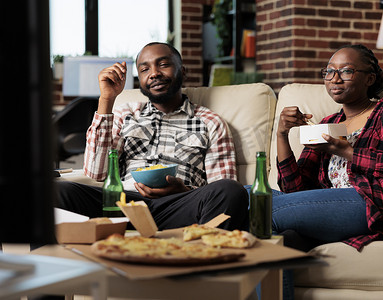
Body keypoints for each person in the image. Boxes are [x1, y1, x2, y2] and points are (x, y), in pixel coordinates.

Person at [274, 44, 383, 299]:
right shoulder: (327, 124)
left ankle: (220, 206)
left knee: (252, 202)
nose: (334, 79)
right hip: (331, 211)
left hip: (375, 204)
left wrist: (348, 152)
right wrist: (282, 135)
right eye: (329, 72)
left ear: (370, 78)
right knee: (275, 243)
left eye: (346, 71)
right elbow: (295, 191)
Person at [56, 42, 248, 231]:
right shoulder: (126, 114)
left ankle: (205, 257)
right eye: (145, 69)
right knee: (57, 191)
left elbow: (222, 185)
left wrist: (185, 191)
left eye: (163, 64)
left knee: (231, 191)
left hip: (180, 206)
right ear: (140, 79)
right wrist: (107, 100)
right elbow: (96, 172)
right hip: (124, 204)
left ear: (183, 72)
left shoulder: (210, 122)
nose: (154, 73)